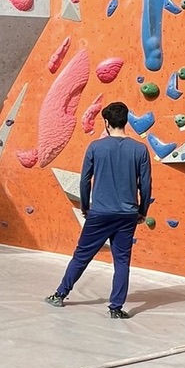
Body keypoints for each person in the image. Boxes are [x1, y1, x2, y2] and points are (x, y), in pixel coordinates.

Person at [45, 101, 151, 319]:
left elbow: (84, 180)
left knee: (82, 255)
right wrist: (142, 210)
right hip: (127, 215)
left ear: (106, 122)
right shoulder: (140, 149)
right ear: (126, 121)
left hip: (100, 213)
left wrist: (85, 206)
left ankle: (60, 294)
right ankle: (115, 307)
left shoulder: (95, 147)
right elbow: (146, 185)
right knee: (122, 261)